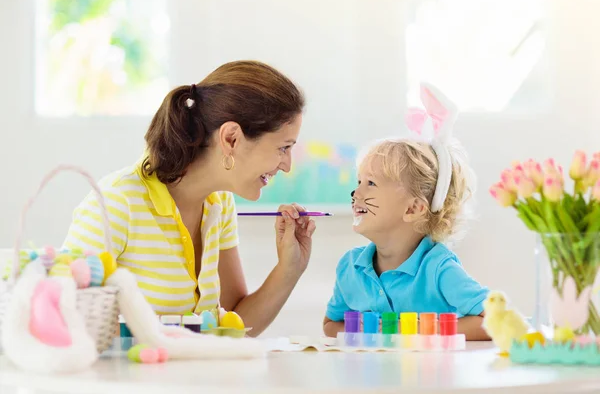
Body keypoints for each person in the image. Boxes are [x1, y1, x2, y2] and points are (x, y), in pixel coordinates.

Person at [63, 60, 316, 337]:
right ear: (231, 138)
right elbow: (64, 316)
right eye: (283, 147)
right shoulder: (117, 202)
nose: (287, 165)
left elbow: (235, 323)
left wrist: (290, 268)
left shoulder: (219, 204)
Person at [323, 83, 490, 340]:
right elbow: (331, 324)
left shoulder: (437, 267)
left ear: (413, 208)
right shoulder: (350, 267)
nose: (356, 194)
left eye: (371, 183)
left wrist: (409, 331)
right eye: (359, 182)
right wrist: (372, 334)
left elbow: (491, 320)